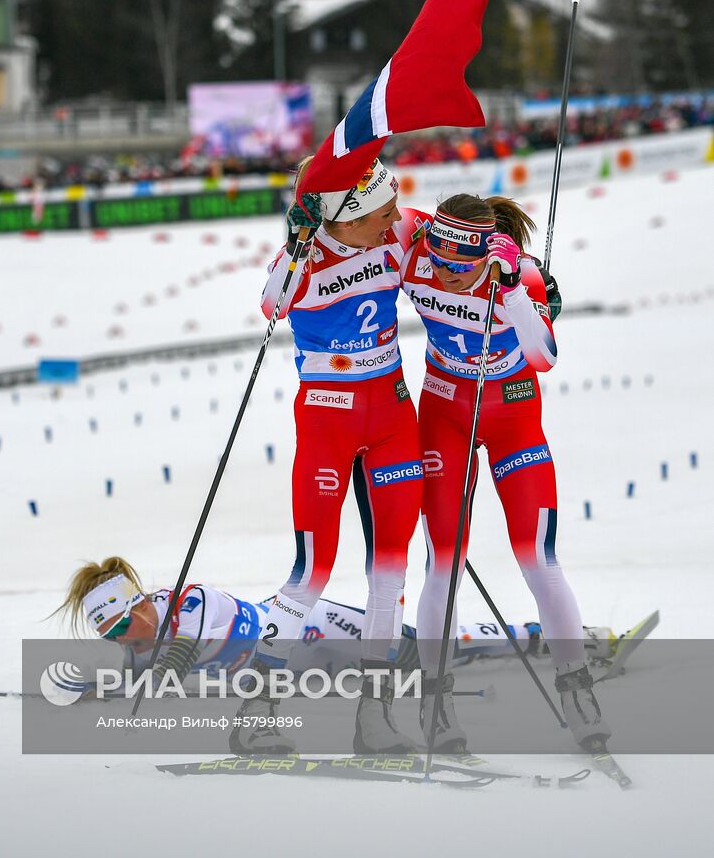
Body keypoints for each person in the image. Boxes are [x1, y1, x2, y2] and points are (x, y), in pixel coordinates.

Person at [400, 193, 610, 752]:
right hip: (445, 417)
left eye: (458, 264)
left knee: (537, 557)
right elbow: (356, 212)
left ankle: (576, 688)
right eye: (437, 258)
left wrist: (515, 287)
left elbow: (543, 357)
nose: (443, 271)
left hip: (514, 416)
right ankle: (436, 702)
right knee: (443, 562)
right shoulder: (417, 245)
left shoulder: (518, 274)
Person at [242, 155, 430, 755]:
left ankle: (374, 718)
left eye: (394, 209)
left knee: (390, 577)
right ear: (343, 222)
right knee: (311, 574)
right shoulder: (308, 255)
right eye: (379, 215)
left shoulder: (399, 230)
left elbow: (470, 244)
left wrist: (521, 272)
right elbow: (272, 303)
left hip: (394, 416)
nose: (394, 222)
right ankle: (257, 708)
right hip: (328, 417)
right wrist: (296, 242)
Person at [55, 557, 632, 686]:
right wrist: (93, 686)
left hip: (317, 630)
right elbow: (136, 676)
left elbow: (178, 656)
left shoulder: (188, 601)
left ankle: (564, 638)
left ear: (141, 604)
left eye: (123, 625)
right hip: (299, 676)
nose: (123, 638)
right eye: (109, 635)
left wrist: (149, 679)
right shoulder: (134, 641)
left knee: (437, 648)